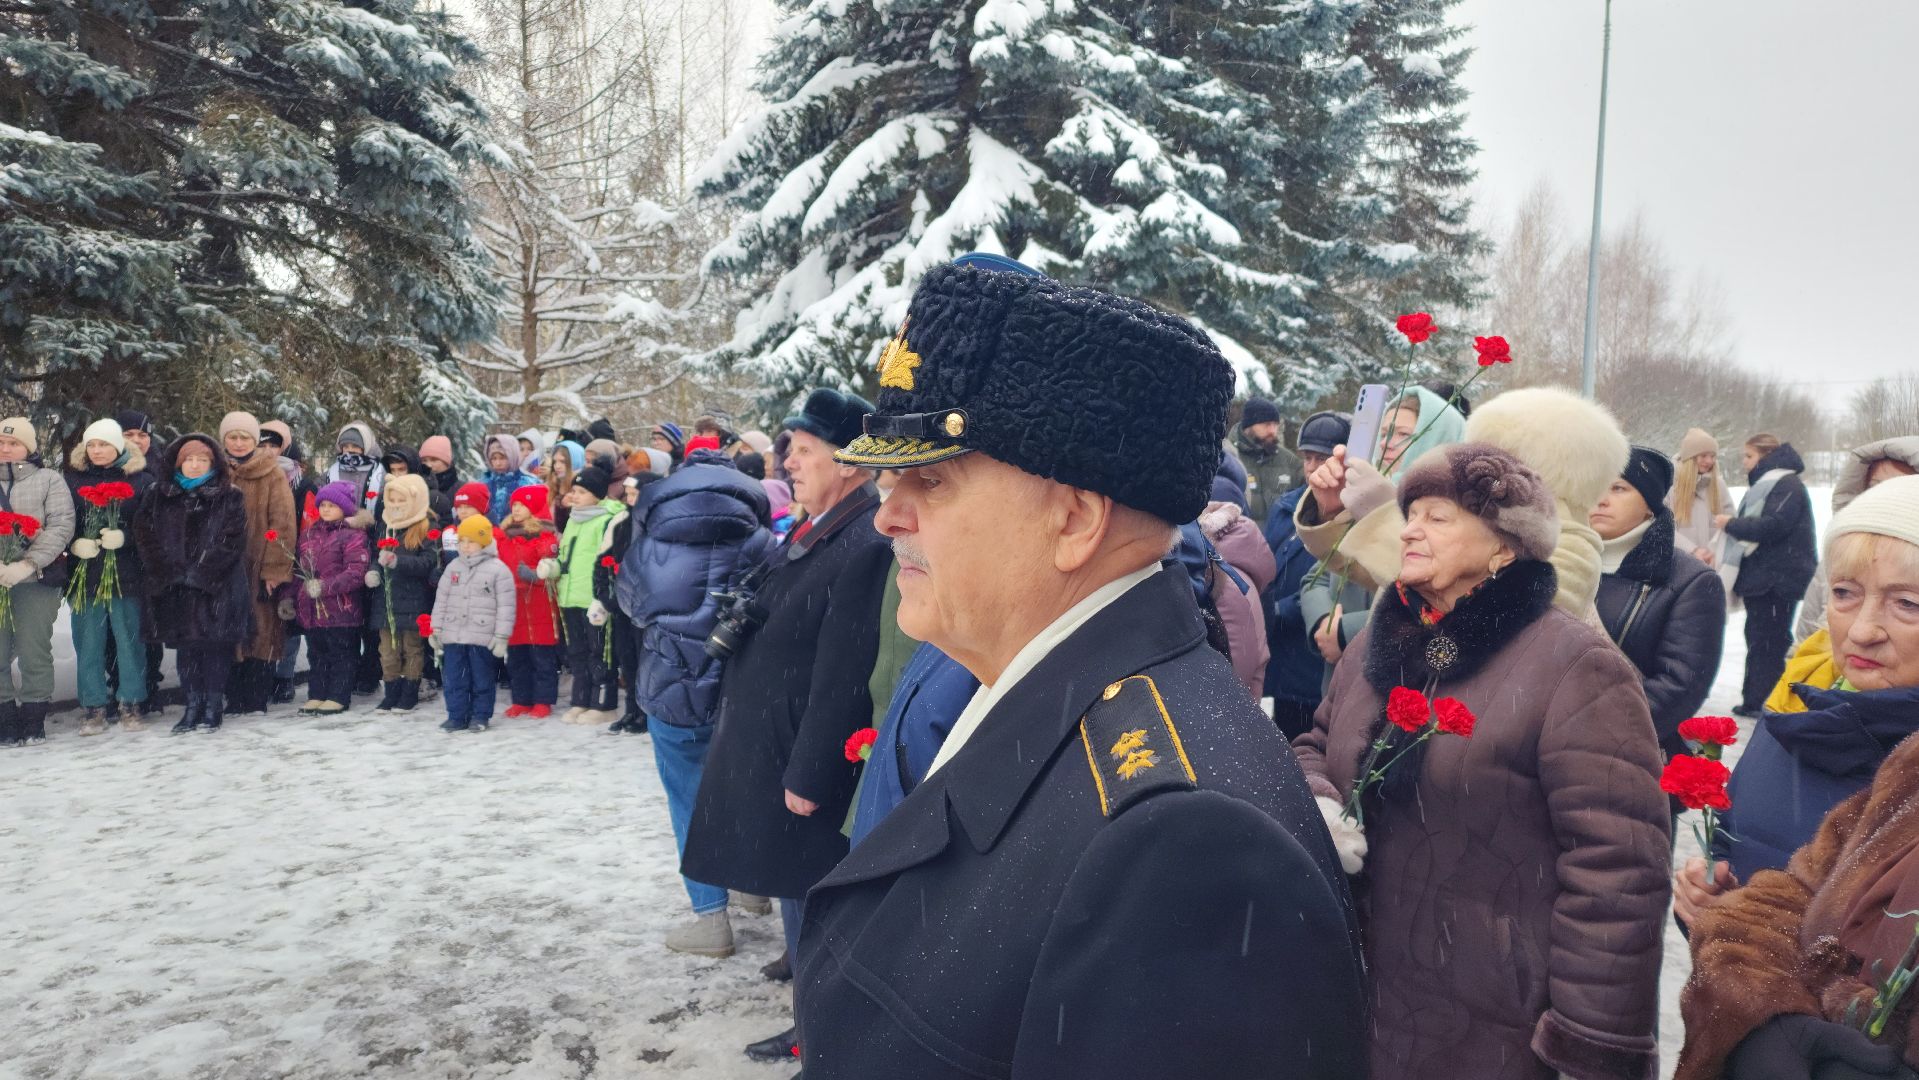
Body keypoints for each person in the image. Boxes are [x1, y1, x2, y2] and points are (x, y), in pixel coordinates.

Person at [791, 257, 1367, 1078]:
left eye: (930, 479)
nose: (887, 513)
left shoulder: (1179, 851)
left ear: (1073, 519)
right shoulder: (1053, 701)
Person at [1295, 441, 1670, 1080]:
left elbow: (1618, 870)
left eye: (1438, 518)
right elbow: (1315, 742)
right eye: (1411, 514)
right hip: (1360, 992)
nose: (1410, 529)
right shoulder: (1379, 643)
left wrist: (1589, 1045)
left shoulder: (1576, 668)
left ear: (1505, 544)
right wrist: (1322, 800)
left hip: (1491, 1025)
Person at [1673, 480, 1919, 1077]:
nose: (1862, 630)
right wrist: (1710, 908)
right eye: (1844, 592)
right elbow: (1760, 896)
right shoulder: (1793, 726)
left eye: (1907, 603)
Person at [681, 386, 893, 1065]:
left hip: (802, 748)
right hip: (775, 736)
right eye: (788, 450)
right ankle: (801, 968)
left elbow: (843, 675)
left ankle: (816, 1026)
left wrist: (812, 771)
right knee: (788, 877)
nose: (789, 463)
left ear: (852, 464)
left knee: (807, 881)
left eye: (805, 451)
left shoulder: (862, 541)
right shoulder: (818, 524)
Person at [613, 449, 775, 955]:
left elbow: (633, 608)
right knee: (746, 788)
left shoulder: (648, 546)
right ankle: (752, 884)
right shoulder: (763, 542)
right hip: (743, 689)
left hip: (672, 689)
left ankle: (711, 918)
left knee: (688, 795)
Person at [1296, 386, 1628, 619]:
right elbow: (1359, 565)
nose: (1476, 463)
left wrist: (1385, 517)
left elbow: (1492, 614)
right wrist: (1334, 507)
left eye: (1498, 451)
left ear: (1540, 463)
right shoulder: (1478, 513)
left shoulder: (1572, 545)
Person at [1592, 447, 1728, 764]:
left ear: (1650, 504)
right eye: (1595, 486)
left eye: (1618, 488)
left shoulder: (1691, 581)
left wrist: (1592, 732)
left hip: (1628, 757)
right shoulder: (1557, 564)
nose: (1601, 499)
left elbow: (1678, 687)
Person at [134, 434, 250, 734]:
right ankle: (192, 704)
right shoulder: (158, 494)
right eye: (189, 459)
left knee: (214, 649)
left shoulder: (230, 495)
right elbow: (145, 536)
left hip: (216, 587)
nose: (195, 465)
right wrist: (169, 571)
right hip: (174, 587)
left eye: (202, 460)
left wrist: (201, 574)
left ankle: (213, 706)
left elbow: (232, 540)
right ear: (177, 462)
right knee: (187, 651)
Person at [65, 417, 154, 734]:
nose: (98, 450)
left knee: (130, 642)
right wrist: (74, 542)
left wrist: (126, 538)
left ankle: (131, 702)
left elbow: (150, 528)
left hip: (127, 575)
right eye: (92, 444)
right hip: (85, 573)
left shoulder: (141, 481)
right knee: (88, 643)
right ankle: (93, 706)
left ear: (118, 446)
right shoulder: (72, 480)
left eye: (104, 444)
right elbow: (62, 520)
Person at [1719, 434, 1819, 718]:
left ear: (1765, 457)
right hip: (1770, 579)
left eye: (1748, 457)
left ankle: (1764, 701)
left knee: (1768, 642)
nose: (1744, 464)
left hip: (1776, 581)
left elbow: (1773, 525)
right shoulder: (1779, 484)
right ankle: (1760, 699)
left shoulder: (1785, 485)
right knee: (1763, 639)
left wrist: (1732, 525)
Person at [1264, 410, 1350, 737]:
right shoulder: (1287, 507)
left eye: (1323, 458)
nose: (1313, 466)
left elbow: (1331, 577)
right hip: (1279, 659)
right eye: (1307, 457)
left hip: (1313, 662)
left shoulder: (1350, 515)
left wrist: (1282, 610)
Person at [1796, 436, 1919, 643]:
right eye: (1874, 488)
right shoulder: (1836, 563)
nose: (1884, 499)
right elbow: (1804, 640)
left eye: (1907, 603)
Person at [0, 418, 76, 746]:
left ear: (29, 447)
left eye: (14, 443)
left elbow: (61, 525)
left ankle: (33, 719)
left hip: (36, 580)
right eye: (1, 443)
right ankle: (5, 719)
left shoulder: (49, 480)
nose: (6, 448)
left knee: (33, 650)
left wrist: (27, 563)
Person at [218, 412, 296, 715]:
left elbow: (284, 522)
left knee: (261, 630)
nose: (238, 443)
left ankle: (255, 697)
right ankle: (233, 695)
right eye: (233, 437)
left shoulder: (271, 473)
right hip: (225, 567)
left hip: (257, 564)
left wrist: (275, 568)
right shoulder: (217, 470)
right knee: (229, 628)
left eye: (245, 437)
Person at [428, 515, 515, 733]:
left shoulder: (498, 569)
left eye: (471, 541)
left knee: (482, 677)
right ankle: (457, 715)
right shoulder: (453, 567)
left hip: (481, 635)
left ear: (484, 542)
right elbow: (442, 599)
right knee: (454, 677)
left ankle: (480, 715)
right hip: (453, 633)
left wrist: (502, 635)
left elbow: (506, 605)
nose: (466, 547)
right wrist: (436, 628)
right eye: (462, 541)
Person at [367, 474, 441, 714]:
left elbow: (428, 562)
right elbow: (375, 556)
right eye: (393, 500)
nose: (397, 505)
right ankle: (391, 692)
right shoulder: (385, 526)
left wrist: (399, 562)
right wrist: (374, 571)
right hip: (385, 602)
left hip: (412, 600)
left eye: (402, 500)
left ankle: (409, 693)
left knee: (411, 649)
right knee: (387, 651)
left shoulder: (426, 527)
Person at [295, 482, 372, 714]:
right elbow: (299, 568)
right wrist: (295, 596)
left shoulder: (354, 535)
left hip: (341, 608)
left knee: (341, 653)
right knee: (317, 653)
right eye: (323, 505)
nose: (326, 509)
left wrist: (326, 586)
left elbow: (356, 573)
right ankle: (317, 693)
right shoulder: (309, 534)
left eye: (332, 505)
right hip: (313, 608)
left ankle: (338, 694)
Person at [555, 465, 621, 725]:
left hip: (593, 598)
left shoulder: (606, 520)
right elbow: (566, 554)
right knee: (577, 652)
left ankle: (604, 703)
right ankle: (581, 700)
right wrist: (555, 567)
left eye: (582, 491)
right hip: (570, 595)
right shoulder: (574, 519)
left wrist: (603, 596)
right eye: (574, 491)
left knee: (600, 652)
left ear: (597, 494)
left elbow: (606, 561)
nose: (576, 496)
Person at [498, 486, 561, 719]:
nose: (516, 509)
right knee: (517, 657)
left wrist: (535, 574)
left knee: (541, 655)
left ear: (534, 507)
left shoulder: (545, 536)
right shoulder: (505, 535)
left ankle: (543, 700)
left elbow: (551, 566)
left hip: (538, 603)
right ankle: (521, 699)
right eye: (514, 504)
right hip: (513, 603)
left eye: (522, 505)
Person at [1225, 397, 1301, 524]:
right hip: (1241, 541)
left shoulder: (1289, 460)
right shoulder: (1227, 458)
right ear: (1248, 426)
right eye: (1266, 425)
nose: (1272, 431)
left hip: (1277, 543)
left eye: (1275, 425)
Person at [1669, 427, 1734, 575]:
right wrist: (1693, 551)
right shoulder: (1671, 486)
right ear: (1690, 457)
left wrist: (1713, 553)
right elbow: (1663, 528)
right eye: (1704, 455)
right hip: (1680, 567)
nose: (1709, 461)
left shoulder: (1719, 486)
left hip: (1714, 566)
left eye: (1712, 456)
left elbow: (1732, 523)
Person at [479, 434, 541, 526]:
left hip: (518, 534)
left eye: (502, 458)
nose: (498, 463)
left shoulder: (528, 483)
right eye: (494, 459)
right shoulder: (484, 483)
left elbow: (536, 515)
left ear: (512, 456)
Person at [323, 421, 385, 506]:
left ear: (365, 447)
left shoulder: (380, 472)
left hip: (373, 518)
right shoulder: (332, 472)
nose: (350, 450)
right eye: (346, 446)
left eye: (355, 446)